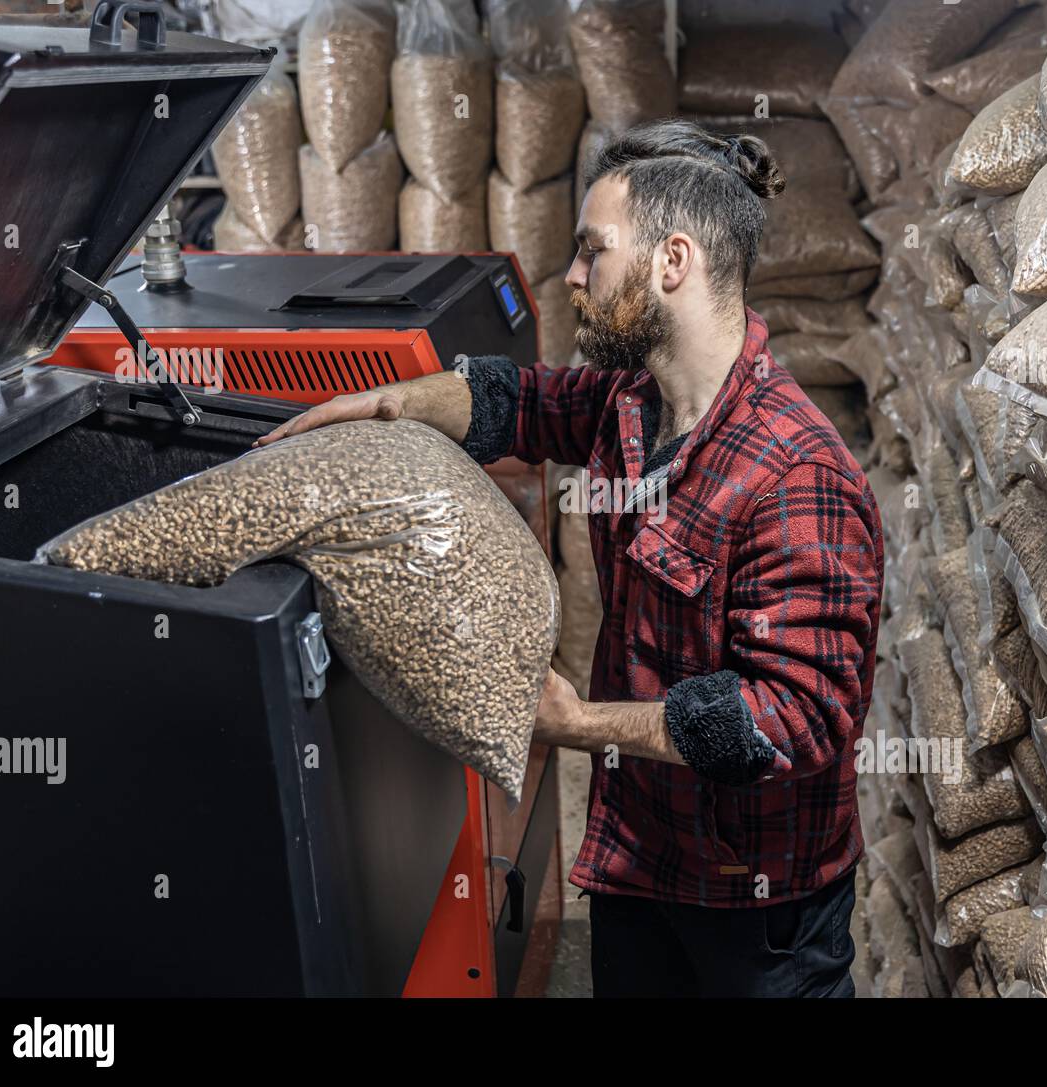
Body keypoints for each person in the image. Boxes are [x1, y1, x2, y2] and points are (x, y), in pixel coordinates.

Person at [256, 119, 885, 998]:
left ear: (673, 262)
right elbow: (513, 398)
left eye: (593, 250)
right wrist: (386, 405)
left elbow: (792, 717)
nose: (573, 275)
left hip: (757, 910)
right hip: (640, 860)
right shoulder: (634, 401)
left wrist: (577, 723)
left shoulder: (796, 474)